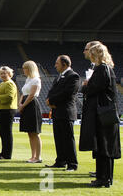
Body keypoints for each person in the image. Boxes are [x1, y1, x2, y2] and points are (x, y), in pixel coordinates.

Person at [80, 44, 121, 188]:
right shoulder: (105, 69)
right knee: (103, 147)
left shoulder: (102, 69)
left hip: (102, 115)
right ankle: (102, 177)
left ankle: (104, 178)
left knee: (104, 147)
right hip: (103, 113)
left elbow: (92, 89)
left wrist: (85, 85)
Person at [45, 55, 80, 171]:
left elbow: (67, 93)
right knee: (59, 138)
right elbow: (52, 91)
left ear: (64, 64)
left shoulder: (73, 76)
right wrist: (49, 100)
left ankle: (72, 164)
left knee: (68, 139)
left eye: (57, 63)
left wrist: (52, 100)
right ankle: (60, 161)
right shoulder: (59, 76)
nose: (55, 65)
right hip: (57, 111)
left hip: (66, 111)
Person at [81, 40, 103, 179]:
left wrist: (86, 85)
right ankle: (100, 171)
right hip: (94, 110)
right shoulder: (96, 67)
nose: (84, 51)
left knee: (101, 143)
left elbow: (95, 89)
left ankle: (102, 174)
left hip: (99, 111)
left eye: (86, 49)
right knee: (97, 143)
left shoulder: (102, 69)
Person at [0, 66, 18, 160]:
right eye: (1, 73)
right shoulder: (3, 83)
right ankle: (3, 152)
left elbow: (9, 97)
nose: (2, 75)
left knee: (6, 133)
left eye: (4, 73)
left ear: (10, 74)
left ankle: (7, 154)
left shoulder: (10, 83)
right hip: (1, 110)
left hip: (6, 111)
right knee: (3, 133)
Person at [19, 61, 43, 163]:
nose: (23, 70)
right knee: (30, 132)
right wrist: (20, 104)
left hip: (32, 105)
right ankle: (33, 156)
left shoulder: (36, 80)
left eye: (25, 68)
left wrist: (23, 105)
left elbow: (32, 95)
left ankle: (38, 157)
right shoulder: (28, 80)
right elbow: (23, 93)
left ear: (30, 69)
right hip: (25, 105)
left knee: (35, 132)